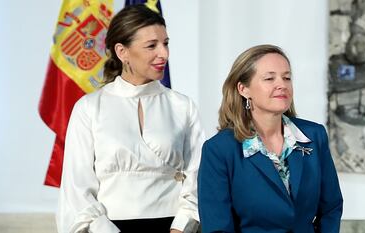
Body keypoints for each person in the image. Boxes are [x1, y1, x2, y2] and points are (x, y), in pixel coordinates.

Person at [56, 4, 204, 233]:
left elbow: (197, 175)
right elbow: (77, 189)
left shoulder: (183, 106)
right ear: (122, 51)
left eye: (165, 44)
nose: (163, 53)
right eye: (151, 46)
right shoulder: (89, 108)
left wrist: (182, 226)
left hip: (174, 227)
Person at [198, 44, 343, 233]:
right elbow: (217, 228)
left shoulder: (314, 135)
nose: (282, 84)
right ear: (243, 89)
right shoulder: (219, 150)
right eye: (269, 78)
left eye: (287, 77)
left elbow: (331, 207)